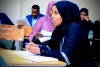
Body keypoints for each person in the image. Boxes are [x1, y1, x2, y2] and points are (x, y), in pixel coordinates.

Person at [26, 1, 97, 67]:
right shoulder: (60, 28)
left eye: (56, 13)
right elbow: (52, 48)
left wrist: (40, 51)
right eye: (52, 12)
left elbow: (66, 55)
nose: (52, 16)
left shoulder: (75, 28)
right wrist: (38, 47)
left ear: (65, 14)